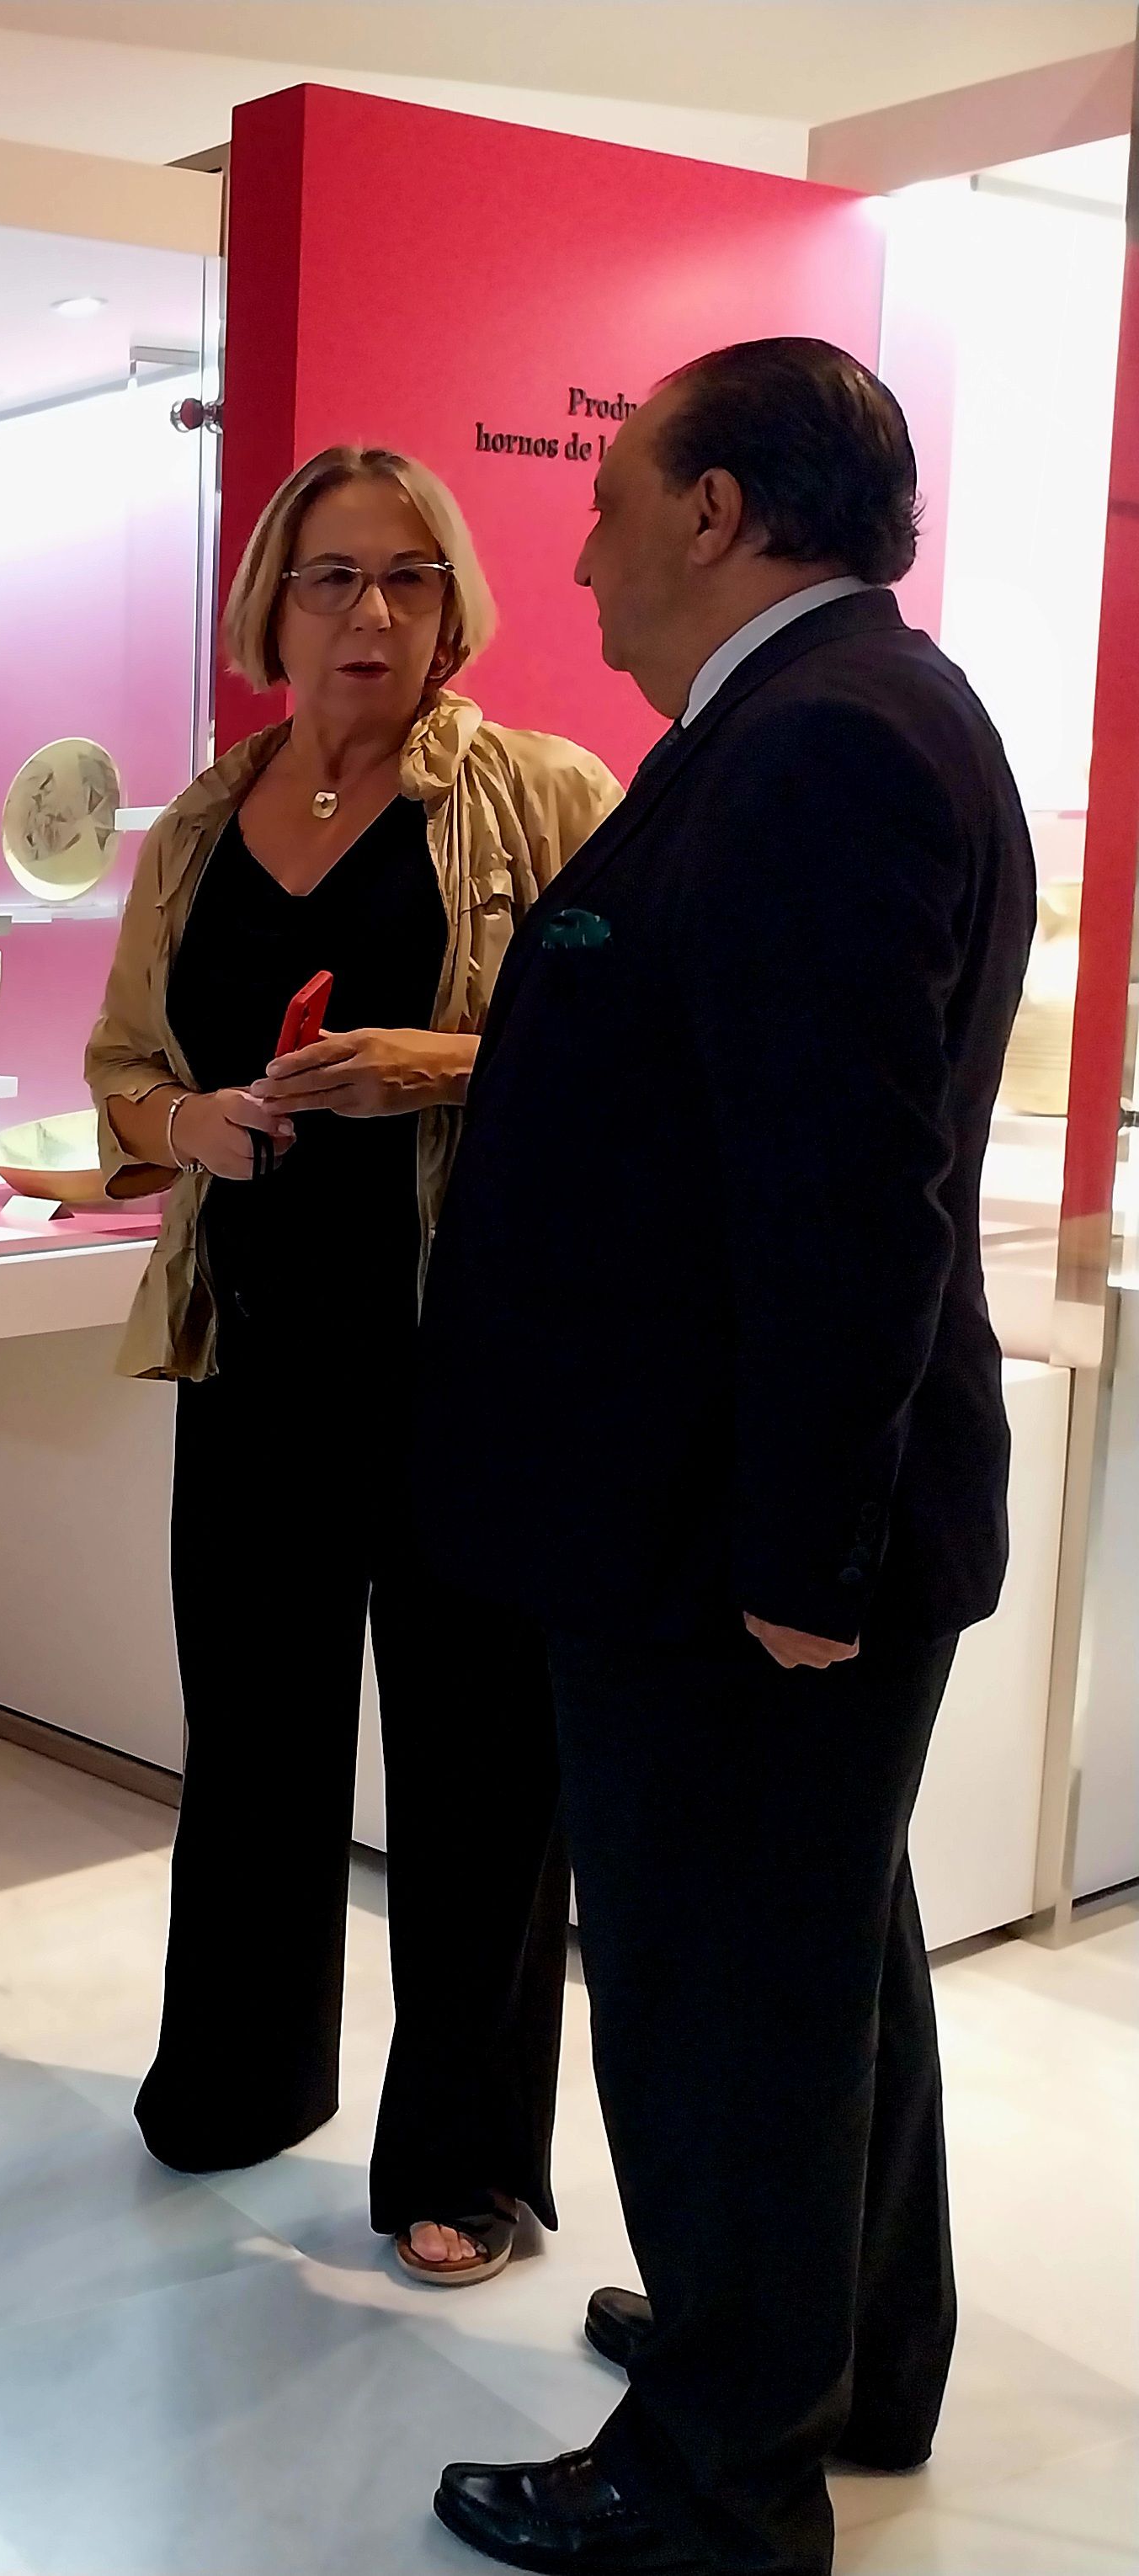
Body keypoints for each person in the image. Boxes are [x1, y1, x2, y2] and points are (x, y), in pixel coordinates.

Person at [421, 342, 1031, 2576]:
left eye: (614, 488)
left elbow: (841, 1193)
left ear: (721, 511)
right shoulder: (819, 723)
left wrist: (803, 1547)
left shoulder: (824, 751)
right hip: (731, 1515)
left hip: (731, 1543)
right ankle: (831, 2351)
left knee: (720, 2011)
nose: (578, 534)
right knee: (814, 1960)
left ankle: (715, 2480)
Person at [82, 449, 619, 2286]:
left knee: (479, 1773)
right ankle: (240, 2080)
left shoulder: (542, 795)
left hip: (464, 1365)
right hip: (254, 1357)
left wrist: (442, 1065)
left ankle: (467, 2161)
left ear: (454, 602)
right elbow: (119, 1085)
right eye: (331, 578)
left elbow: (637, 1060)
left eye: (405, 577)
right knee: (252, 1746)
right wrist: (195, 1124)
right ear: (270, 606)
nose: (369, 613)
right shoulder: (196, 823)